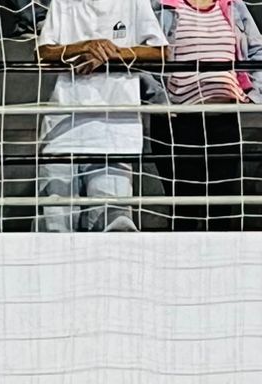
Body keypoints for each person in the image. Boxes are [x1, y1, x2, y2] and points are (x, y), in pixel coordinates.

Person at [36, 0, 168, 232]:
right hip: (63, 130)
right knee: (55, 229)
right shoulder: (63, 2)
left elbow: (160, 51)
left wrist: (111, 54)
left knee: (114, 230)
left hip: (116, 132)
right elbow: (43, 51)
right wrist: (85, 46)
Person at [146, 0, 262, 230]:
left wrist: (254, 94)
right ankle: (181, 264)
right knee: (184, 209)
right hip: (177, 123)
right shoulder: (161, 5)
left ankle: (222, 265)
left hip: (224, 120)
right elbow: (144, 53)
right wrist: (160, 100)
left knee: (221, 209)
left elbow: (257, 50)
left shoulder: (233, 5)